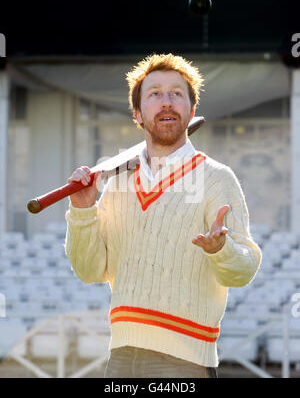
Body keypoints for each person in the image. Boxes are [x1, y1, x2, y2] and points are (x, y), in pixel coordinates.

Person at [65, 53, 262, 378]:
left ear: (191, 110)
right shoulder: (117, 183)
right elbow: (90, 271)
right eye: (155, 94)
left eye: (177, 94)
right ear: (138, 114)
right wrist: (83, 209)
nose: (167, 102)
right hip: (121, 359)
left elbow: (242, 271)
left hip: (185, 360)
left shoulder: (217, 178)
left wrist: (221, 250)